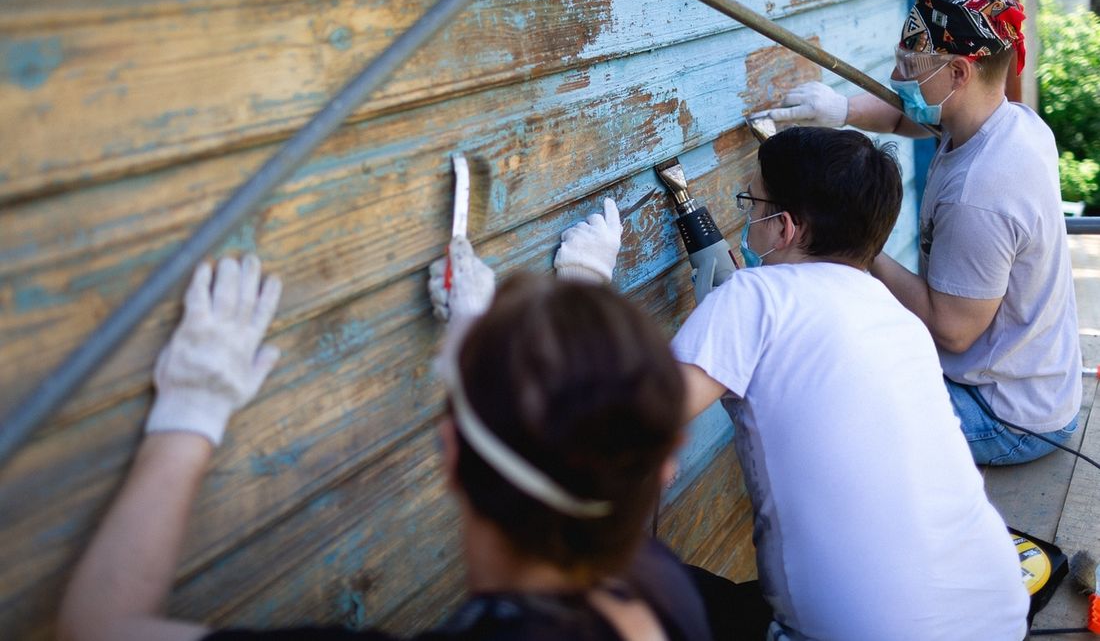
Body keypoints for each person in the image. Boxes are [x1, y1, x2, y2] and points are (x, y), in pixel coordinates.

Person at [57, 251, 713, 640]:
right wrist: (479, 331)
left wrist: (191, 408)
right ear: (661, 465)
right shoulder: (663, 590)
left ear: (449, 452)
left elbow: (100, 628)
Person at [555, 127, 1030, 640]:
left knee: (610, 572)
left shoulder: (754, 298)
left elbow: (618, 428)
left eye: (752, 200)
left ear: (783, 227)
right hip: (998, 613)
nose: (746, 215)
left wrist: (584, 287)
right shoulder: (901, 322)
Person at [762, 0, 1081, 465]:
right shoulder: (1012, 122)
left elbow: (952, 332)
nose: (895, 76)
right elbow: (907, 118)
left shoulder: (982, 190)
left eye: (910, 68)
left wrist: (859, 249)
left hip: (1006, 416)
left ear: (958, 73)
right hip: (1031, 383)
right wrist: (842, 111)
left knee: (835, 422)